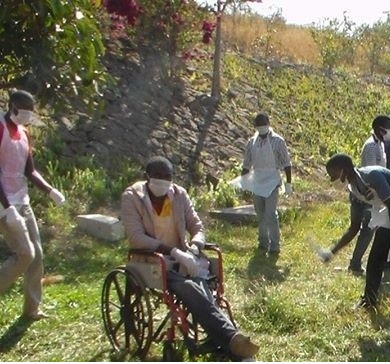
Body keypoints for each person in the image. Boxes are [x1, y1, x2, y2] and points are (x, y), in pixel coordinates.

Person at [120, 156, 259, 360]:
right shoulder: (132, 197)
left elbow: (197, 226)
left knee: (200, 283)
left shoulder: (178, 195)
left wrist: (195, 247)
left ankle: (225, 341)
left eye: (167, 177)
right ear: (147, 177)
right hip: (152, 261)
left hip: (183, 258)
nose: (162, 181)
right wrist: (173, 252)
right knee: (190, 286)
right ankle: (230, 338)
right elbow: (136, 237)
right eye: (157, 176)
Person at [317, 154, 390, 325]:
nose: (332, 179)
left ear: (344, 171)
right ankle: (369, 300)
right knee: (375, 258)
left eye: (334, 175)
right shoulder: (353, 190)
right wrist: (332, 251)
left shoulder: (372, 176)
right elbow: (354, 227)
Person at [0, 90, 65, 320]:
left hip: (22, 201)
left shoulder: (25, 133)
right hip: (3, 205)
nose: (27, 115)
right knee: (24, 254)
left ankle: (32, 309)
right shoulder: (0, 129)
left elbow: (30, 171)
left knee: (36, 254)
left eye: (30, 111)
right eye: (23, 111)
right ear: (12, 107)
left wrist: (50, 190)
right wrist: (7, 209)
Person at [343, 115, 390, 274]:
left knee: (366, 229)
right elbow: (370, 173)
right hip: (365, 194)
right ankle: (355, 264)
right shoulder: (371, 146)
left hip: (369, 193)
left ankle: (355, 263)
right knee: (367, 230)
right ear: (380, 129)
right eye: (389, 127)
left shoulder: (379, 144)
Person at [240, 113, 292, 256]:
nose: (262, 128)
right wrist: (243, 181)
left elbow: (287, 163)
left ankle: (275, 245)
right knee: (260, 214)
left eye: (264, 125)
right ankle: (263, 242)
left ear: (268, 124)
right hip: (257, 181)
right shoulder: (252, 142)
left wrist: (288, 183)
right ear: (255, 127)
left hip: (272, 181)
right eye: (259, 126)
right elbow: (246, 164)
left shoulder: (278, 141)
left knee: (270, 214)